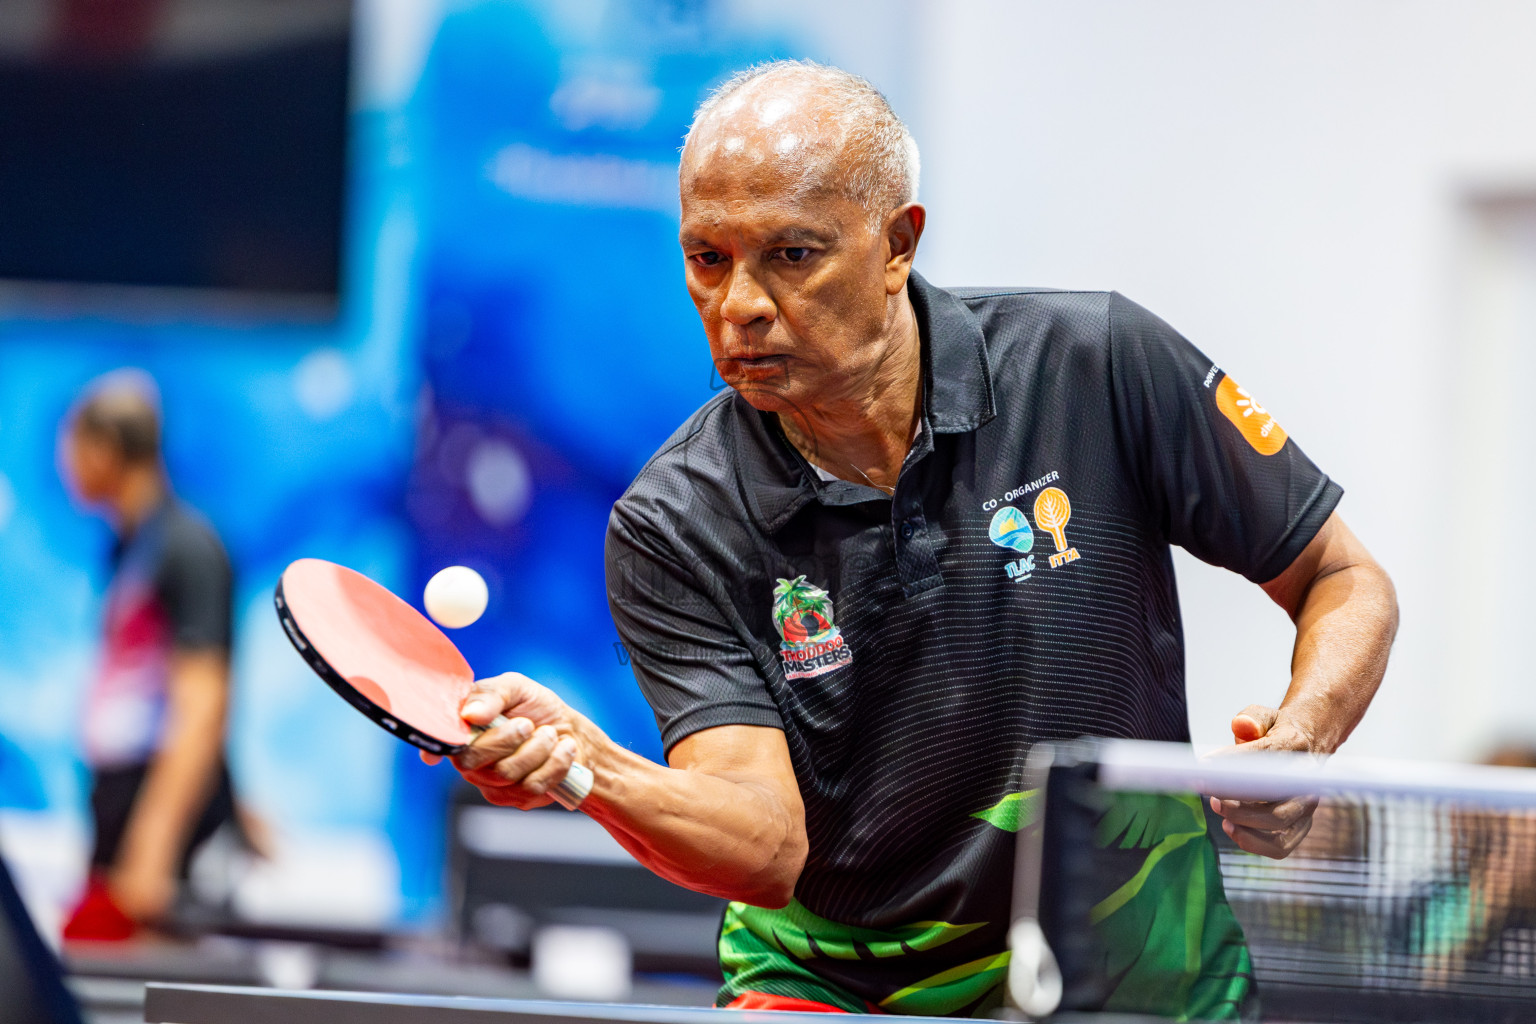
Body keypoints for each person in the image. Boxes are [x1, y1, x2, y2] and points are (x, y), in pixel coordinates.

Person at [431, 62, 1399, 1017]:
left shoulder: (1097, 364)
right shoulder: (675, 519)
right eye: (708, 258)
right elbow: (765, 843)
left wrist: (1300, 737)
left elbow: (1341, 574)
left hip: (1135, 971)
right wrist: (581, 762)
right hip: (844, 989)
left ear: (897, 244)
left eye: (792, 255)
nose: (740, 306)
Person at [58, 372, 239, 938]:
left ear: (105, 449)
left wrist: (153, 845)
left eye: (71, 444)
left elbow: (203, 702)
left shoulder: (186, 548)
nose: (64, 463)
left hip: (158, 813)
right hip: (118, 799)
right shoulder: (130, 544)